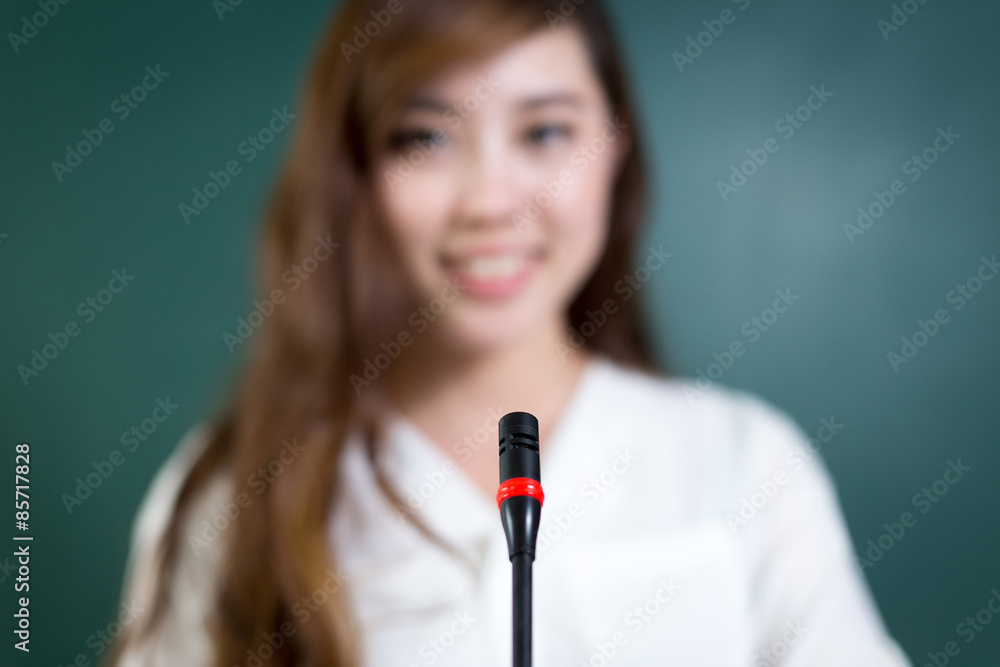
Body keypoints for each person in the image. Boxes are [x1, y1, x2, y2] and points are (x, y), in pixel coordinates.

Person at [111, 0, 913, 665]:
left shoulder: (746, 463)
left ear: (615, 152)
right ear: (355, 174)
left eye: (545, 131)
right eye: (423, 137)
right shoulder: (226, 494)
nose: (490, 200)